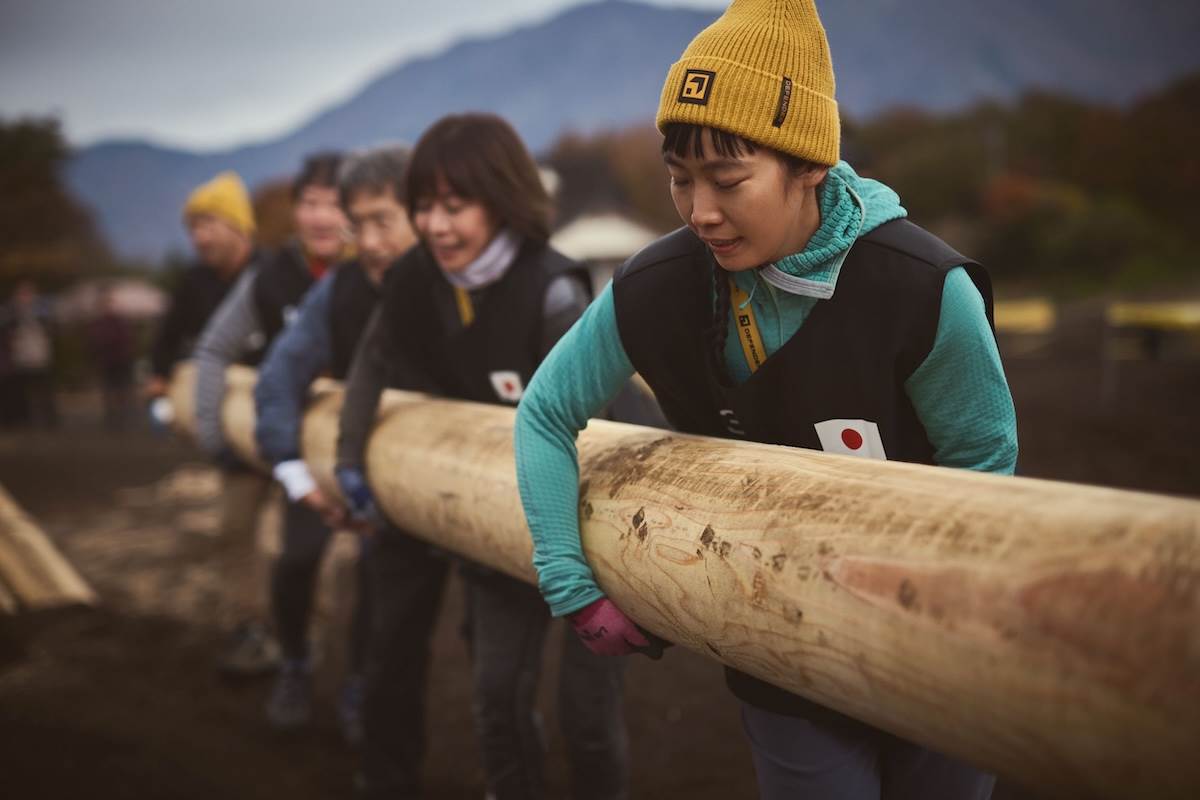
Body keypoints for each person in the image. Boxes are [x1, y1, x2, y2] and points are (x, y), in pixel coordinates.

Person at [514, 2, 1017, 798]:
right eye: (680, 181)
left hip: (938, 649)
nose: (700, 211)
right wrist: (569, 581)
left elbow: (985, 463)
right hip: (775, 641)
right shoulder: (656, 288)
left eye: (728, 180)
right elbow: (543, 414)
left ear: (809, 164)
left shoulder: (923, 290)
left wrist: (934, 630)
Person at [336, 113, 634, 800]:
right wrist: (349, 459)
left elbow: (598, 430)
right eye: (424, 207)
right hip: (494, 512)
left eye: (454, 205)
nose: (435, 225)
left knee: (585, 719)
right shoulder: (419, 277)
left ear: (500, 199)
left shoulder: (553, 289)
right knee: (496, 699)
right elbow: (370, 362)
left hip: (596, 513)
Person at [252, 146, 417, 745]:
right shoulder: (342, 288)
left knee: (379, 586)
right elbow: (278, 375)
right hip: (330, 457)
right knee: (295, 561)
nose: (369, 241)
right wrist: (294, 471)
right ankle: (294, 661)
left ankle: (359, 688)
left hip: (405, 470)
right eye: (359, 225)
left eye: (384, 222)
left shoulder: (440, 282)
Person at [192, 153, 349, 686]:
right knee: (232, 528)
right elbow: (214, 349)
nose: (322, 216)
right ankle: (253, 630)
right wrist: (217, 436)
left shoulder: (370, 274)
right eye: (310, 204)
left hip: (329, 444)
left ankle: (311, 643)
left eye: (334, 204)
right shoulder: (270, 276)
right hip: (255, 428)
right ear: (295, 211)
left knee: (310, 556)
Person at [2, 280, 58, 428]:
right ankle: (24, 418)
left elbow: (50, 329)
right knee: (21, 391)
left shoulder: (42, 311)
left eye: (28, 293)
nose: (25, 297)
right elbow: (7, 331)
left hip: (39, 354)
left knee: (44, 389)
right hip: (21, 356)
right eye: (22, 294)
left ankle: (49, 419)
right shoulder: (11, 312)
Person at [88, 286, 137, 430]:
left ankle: (119, 416)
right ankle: (113, 417)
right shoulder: (100, 323)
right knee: (110, 391)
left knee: (119, 391)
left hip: (119, 360)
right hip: (108, 361)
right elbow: (95, 341)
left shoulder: (119, 322)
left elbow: (127, 340)